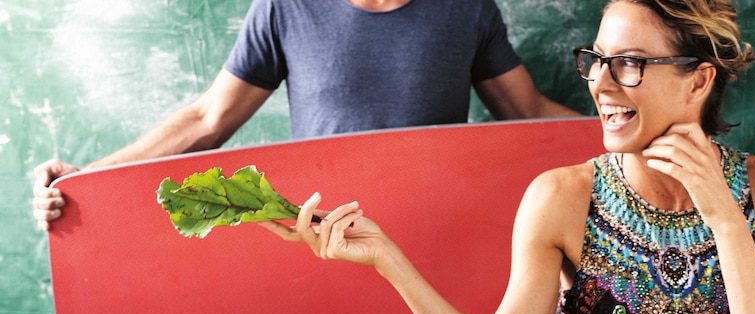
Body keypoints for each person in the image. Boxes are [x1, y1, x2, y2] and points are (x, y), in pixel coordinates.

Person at [259, 0, 755, 314]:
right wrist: (388, 259)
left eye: (629, 64)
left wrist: (722, 215)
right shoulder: (561, 197)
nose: (600, 83)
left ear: (698, 82)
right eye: (596, 60)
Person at [32, 0, 578, 230]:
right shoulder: (286, 6)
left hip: (435, 231)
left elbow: (526, 112)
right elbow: (208, 120)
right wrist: (88, 177)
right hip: (319, 235)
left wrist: (636, 138)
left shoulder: (467, 7)